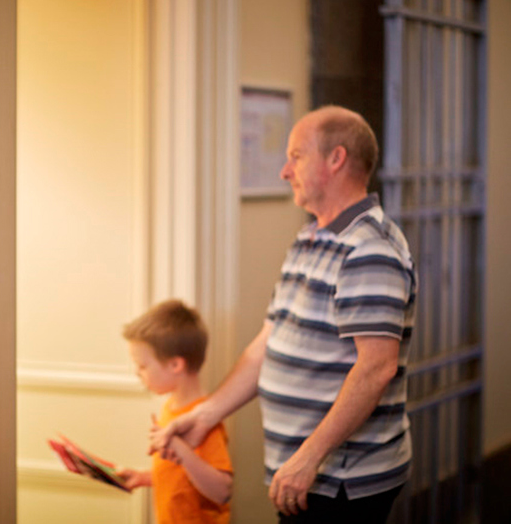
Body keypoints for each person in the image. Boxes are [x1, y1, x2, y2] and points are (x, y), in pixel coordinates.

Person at [150, 105, 417, 524]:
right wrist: (203, 415)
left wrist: (308, 458)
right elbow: (266, 346)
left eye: (296, 155)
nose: (284, 170)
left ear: (336, 158)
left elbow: (376, 369)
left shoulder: (370, 248)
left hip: (340, 479)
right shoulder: (310, 237)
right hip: (305, 473)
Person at [118, 299, 234, 524]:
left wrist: (179, 449)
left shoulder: (206, 422)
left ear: (175, 365)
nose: (137, 373)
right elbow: (181, 477)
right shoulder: (170, 408)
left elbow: (222, 490)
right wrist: (143, 478)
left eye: (142, 366)